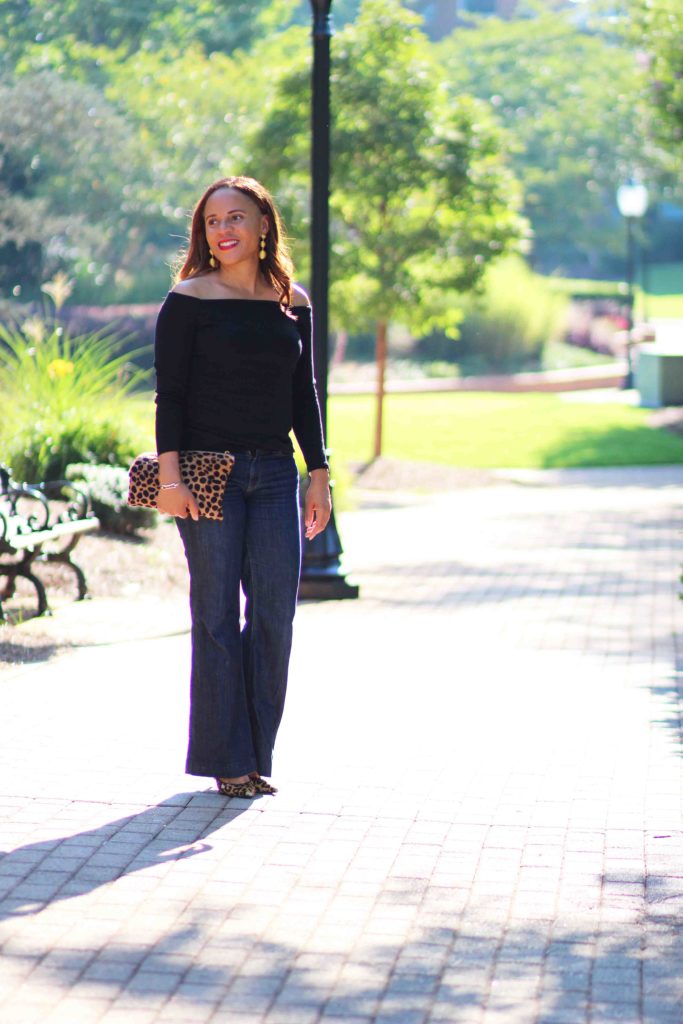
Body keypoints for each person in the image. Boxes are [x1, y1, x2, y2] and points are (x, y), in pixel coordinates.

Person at [154, 176, 332, 799]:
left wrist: (319, 474)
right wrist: (170, 478)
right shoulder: (188, 299)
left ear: (264, 225)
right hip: (208, 478)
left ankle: (256, 754)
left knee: (276, 617)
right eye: (211, 221)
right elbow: (169, 397)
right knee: (217, 617)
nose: (222, 231)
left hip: (277, 473)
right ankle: (227, 762)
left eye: (236, 218)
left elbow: (303, 398)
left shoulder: (293, 303)